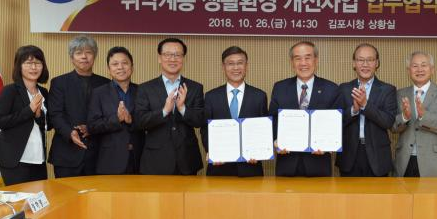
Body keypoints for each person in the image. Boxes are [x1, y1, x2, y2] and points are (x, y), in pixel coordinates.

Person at [135, 38, 204, 175]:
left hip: (186, 159)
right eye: (167, 54)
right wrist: (164, 111)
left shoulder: (195, 88)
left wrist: (182, 108)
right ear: (159, 58)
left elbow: (200, 120)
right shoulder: (145, 88)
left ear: (183, 59)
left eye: (177, 55)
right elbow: (140, 121)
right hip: (155, 160)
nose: (173, 59)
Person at [269, 41, 339, 177]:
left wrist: (328, 145)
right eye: (298, 58)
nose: (303, 63)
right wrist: (276, 141)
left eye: (308, 57)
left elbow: (337, 124)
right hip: (287, 164)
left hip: (319, 165)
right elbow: (273, 120)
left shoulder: (331, 89)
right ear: (292, 62)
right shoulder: (280, 87)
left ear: (316, 60)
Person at [201, 46, 268, 177]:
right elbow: (205, 129)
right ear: (223, 67)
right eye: (230, 63)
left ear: (246, 66)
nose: (236, 68)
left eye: (240, 63)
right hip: (219, 169)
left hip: (250, 169)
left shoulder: (259, 96)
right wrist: (212, 151)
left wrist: (258, 152)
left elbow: (264, 129)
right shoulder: (211, 96)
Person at [48, 36, 109, 178]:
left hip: (97, 155)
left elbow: (108, 115)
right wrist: (70, 132)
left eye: (88, 52)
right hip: (66, 154)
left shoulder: (106, 84)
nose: (84, 57)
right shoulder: (59, 82)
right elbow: (55, 114)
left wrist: (92, 128)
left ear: (95, 56)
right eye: (78, 53)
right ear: (72, 57)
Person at [0, 45, 51, 185]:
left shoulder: (44, 92)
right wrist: (29, 110)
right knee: (18, 198)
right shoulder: (10, 91)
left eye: (38, 63)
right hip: (15, 160)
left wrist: (38, 115)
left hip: (39, 159)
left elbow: (48, 125)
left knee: (39, 198)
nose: (34, 67)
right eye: (28, 63)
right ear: (19, 66)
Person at [335, 43, 396, 177]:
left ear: (377, 63)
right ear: (354, 63)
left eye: (370, 60)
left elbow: (388, 121)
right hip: (349, 155)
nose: (365, 64)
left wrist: (365, 105)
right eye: (360, 60)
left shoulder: (388, 90)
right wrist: (354, 110)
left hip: (378, 157)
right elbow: (336, 121)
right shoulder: (343, 89)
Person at [393, 51, 437, 177]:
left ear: (432, 69)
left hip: (434, 162)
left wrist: (424, 116)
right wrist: (404, 117)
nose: (419, 69)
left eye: (424, 65)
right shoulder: (400, 94)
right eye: (415, 66)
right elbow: (393, 127)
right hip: (404, 161)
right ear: (408, 70)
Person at [87, 47, 144, 175]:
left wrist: (131, 120)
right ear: (109, 69)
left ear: (132, 67)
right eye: (115, 64)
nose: (120, 67)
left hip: (139, 158)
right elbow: (92, 126)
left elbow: (148, 122)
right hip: (110, 160)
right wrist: (116, 118)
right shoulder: (99, 93)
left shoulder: (142, 91)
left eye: (125, 63)